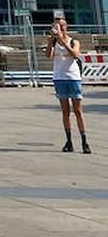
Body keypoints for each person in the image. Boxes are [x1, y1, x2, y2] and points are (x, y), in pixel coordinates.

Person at [46, 16, 92, 153]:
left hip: (73, 77)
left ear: (66, 27)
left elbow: (75, 54)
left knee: (77, 110)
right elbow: (48, 55)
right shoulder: (54, 43)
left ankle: (84, 140)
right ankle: (69, 140)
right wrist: (51, 41)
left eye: (61, 26)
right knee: (65, 111)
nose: (59, 28)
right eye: (56, 26)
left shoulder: (73, 41)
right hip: (59, 78)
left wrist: (62, 40)